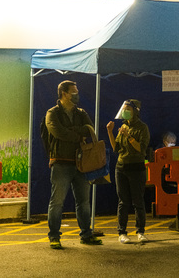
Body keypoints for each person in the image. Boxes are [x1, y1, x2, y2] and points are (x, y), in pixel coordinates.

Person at [45, 80, 102, 249]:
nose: (77, 95)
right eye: (74, 92)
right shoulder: (52, 113)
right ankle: (54, 236)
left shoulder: (81, 112)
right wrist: (78, 134)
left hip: (81, 163)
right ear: (64, 93)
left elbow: (89, 129)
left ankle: (86, 235)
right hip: (61, 163)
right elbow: (58, 132)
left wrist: (73, 131)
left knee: (84, 202)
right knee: (57, 202)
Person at [106, 99, 150, 244]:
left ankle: (140, 231)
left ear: (135, 111)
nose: (125, 112)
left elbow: (141, 149)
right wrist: (110, 132)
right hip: (121, 168)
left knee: (138, 201)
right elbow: (116, 148)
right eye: (123, 109)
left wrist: (128, 136)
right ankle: (122, 232)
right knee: (123, 201)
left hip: (136, 168)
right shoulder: (123, 126)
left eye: (128, 109)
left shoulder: (142, 128)